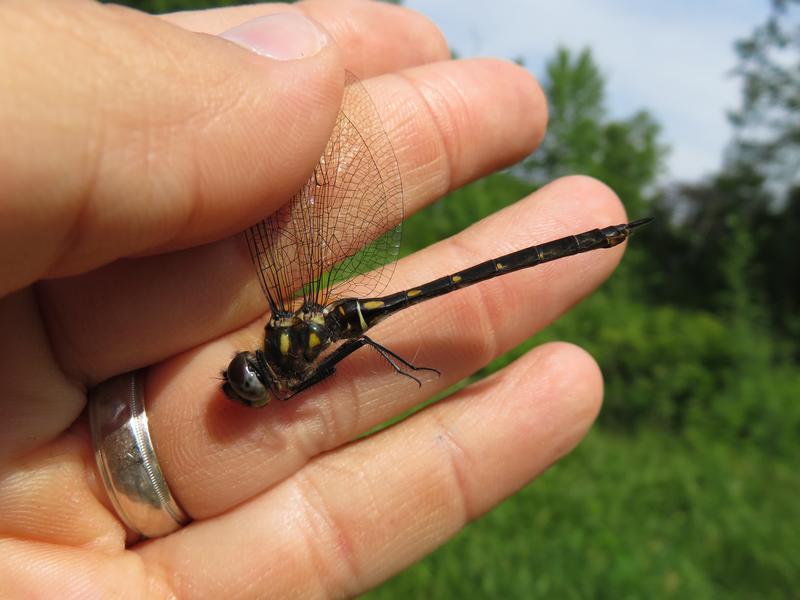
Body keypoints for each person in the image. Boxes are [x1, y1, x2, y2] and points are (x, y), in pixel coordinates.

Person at [0, 0, 626, 596]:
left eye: (246, 378)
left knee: (468, 279)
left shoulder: (287, 366)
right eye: (246, 380)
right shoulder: (286, 338)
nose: (240, 378)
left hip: (345, 320)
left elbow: (319, 367)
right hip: (336, 323)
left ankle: (593, 237)